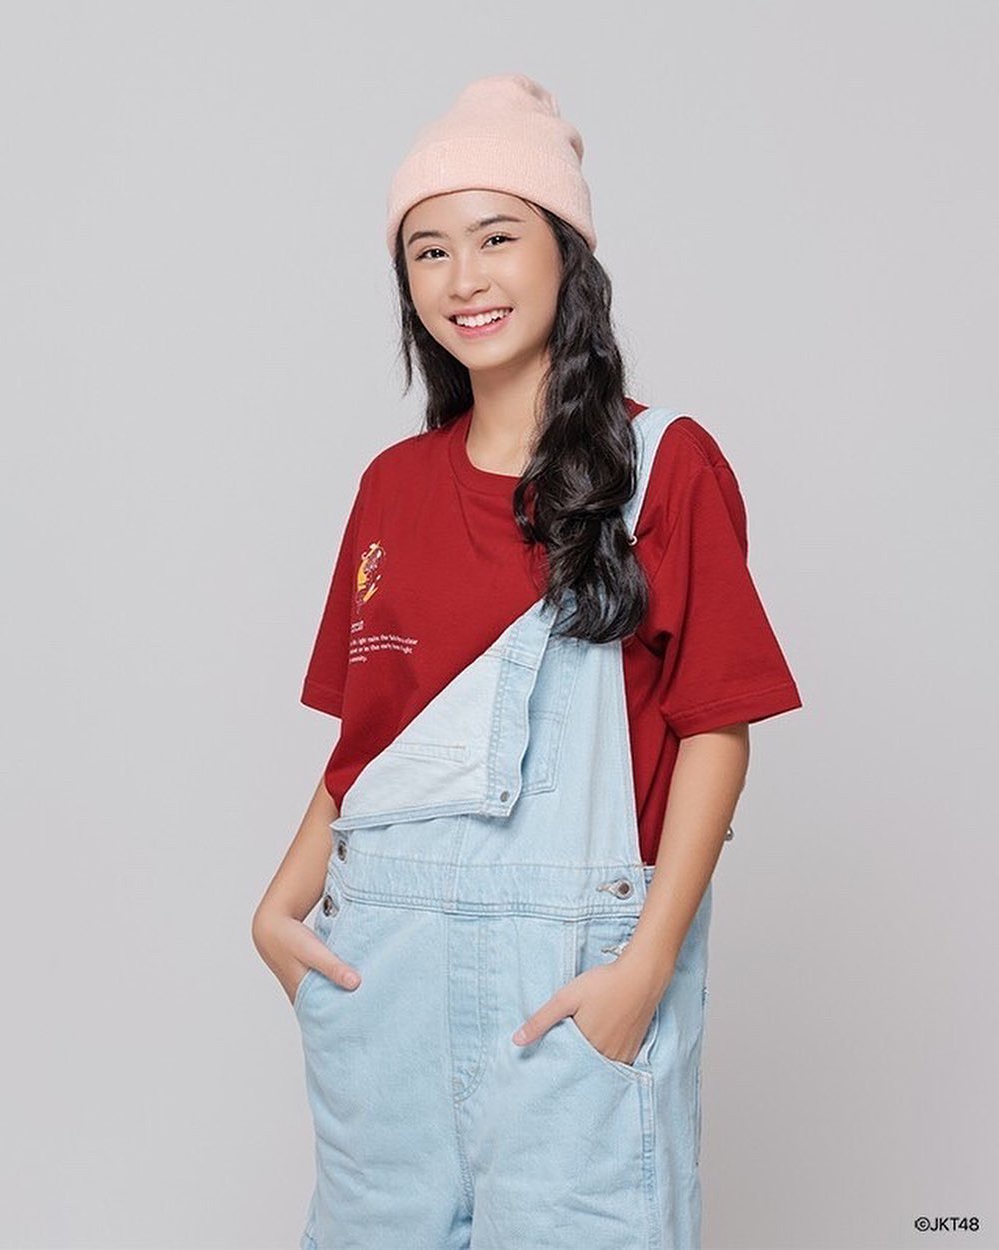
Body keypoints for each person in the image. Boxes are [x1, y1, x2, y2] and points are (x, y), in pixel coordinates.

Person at [252, 72, 803, 1250]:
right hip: (381, 979)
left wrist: (645, 966)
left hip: (569, 979)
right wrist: (277, 910)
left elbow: (715, 726)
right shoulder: (391, 487)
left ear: (566, 254)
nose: (465, 278)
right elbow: (368, 744)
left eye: (497, 236)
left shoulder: (664, 467)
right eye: (429, 251)